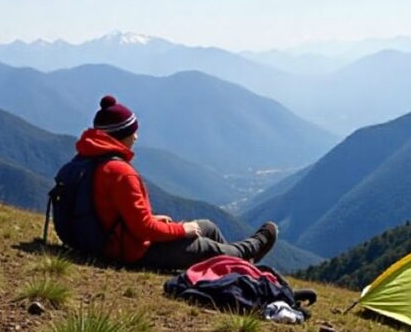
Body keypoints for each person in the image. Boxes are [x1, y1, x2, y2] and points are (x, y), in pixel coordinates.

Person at [75, 94, 278, 271]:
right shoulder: (121, 173)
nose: (136, 137)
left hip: (105, 241)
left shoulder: (88, 160)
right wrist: (182, 230)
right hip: (130, 251)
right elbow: (143, 229)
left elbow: (112, 212)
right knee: (207, 247)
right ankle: (250, 251)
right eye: (132, 131)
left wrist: (154, 220)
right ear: (121, 135)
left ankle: (238, 268)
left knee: (207, 226)